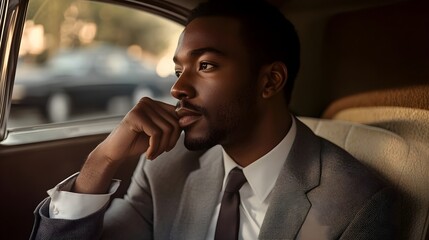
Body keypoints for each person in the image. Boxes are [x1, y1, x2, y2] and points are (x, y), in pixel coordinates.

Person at [30, 0, 396, 239]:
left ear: (270, 81)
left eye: (205, 65)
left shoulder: (353, 202)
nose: (177, 88)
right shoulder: (165, 168)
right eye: (178, 69)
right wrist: (102, 161)